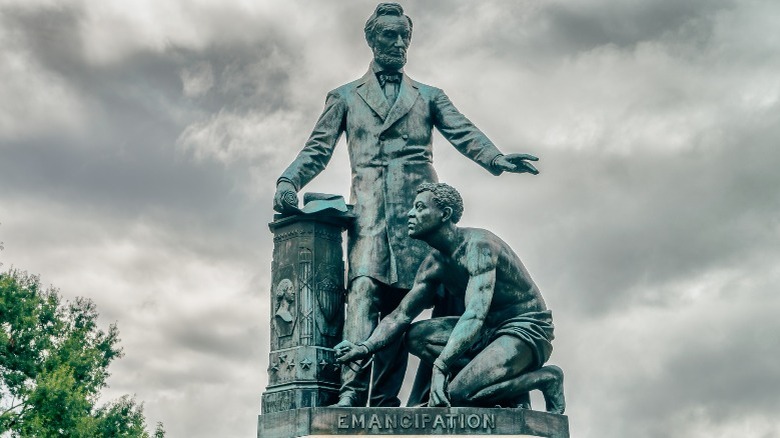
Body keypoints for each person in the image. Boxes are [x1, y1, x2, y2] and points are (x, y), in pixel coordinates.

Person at [273, 3, 540, 408]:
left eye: (404, 37)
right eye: (389, 36)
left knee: (444, 306)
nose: (398, 43)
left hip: (425, 222)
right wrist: (289, 180)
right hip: (372, 223)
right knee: (364, 297)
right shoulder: (345, 97)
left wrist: (495, 158)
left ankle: (442, 394)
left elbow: (463, 131)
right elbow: (317, 149)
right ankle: (355, 393)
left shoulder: (429, 96)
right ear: (371, 39)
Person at [335, 183, 565, 413]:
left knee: (458, 395)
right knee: (415, 336)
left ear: (444, 214)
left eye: (420, 207)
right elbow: (400, 315)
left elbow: (475, 314)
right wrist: (364, 348)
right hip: (486, 331)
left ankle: (545, 378)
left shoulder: (479, 246)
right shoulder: (434, 264)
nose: (410, 214)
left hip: (524, 330)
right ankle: (498, 379)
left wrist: (441, 366)